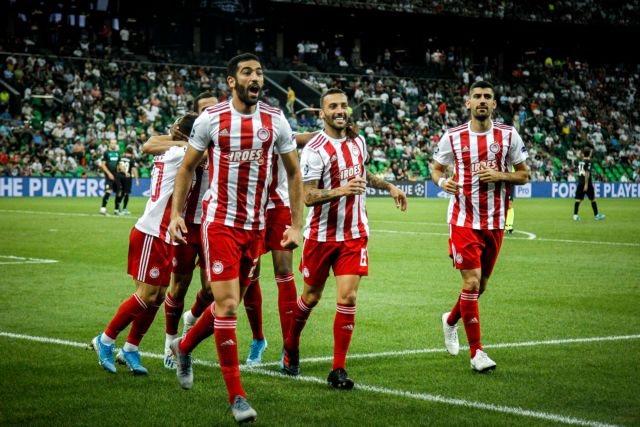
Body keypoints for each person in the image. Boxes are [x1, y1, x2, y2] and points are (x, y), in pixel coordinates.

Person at [168, 53, 303, 424]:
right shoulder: (211, 119)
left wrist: (297, 224)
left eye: (258, 72)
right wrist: (177, 214)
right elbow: (187, 167)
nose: (255, 78)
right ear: (232, 81)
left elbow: (294, 173)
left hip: (255, 227)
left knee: (228, 303)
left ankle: (184, 346)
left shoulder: (275, 120)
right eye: (247, 72)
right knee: (228, 306)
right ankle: (237, 397)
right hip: (220, 224)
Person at [280, 88, 407, 389]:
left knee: (348, 297)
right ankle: (291, 345)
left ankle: (338, 369)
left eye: (343, 105)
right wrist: (341, 190)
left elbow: (363, 173)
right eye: (333, 106)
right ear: (322, 113)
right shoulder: (315, 149)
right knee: (310, 297)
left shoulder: (358, 141)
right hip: (321, 237)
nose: (340, 110)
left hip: (354, 234)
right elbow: (307, 196)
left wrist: (389, 186)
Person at [431, 80, 529, 372]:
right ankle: (477, 353)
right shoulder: (453, 136)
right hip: (463, 219)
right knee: (471, 283)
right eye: (477, 96)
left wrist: (500, 175)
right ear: (468, 103)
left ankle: (450, 320)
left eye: (487, 96)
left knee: (480, 287)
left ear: (494, 104)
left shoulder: (508, 135)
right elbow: (436, 168)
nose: (482, 100)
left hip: (495, 221)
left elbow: (524, 175)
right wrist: (442, 182)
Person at [91, 114, 197, 376]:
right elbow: (206, 153)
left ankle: (130, 348)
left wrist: (181, 139)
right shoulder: (181, 153)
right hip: (152, 231)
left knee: (158, 296)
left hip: (164, 233)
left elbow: (150, 144)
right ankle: (105, 340)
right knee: (147, 295)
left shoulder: (173, 149)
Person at [243, 131, 318, 366]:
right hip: (251, 209)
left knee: (284, 271)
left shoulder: (278, 130)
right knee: (250, 276)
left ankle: (288, 346)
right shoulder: (242, 133)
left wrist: (341, 131)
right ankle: (258, 339)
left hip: (280, 208)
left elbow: (309, 137)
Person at [573, 147, 605, 221]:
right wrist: (586, 184)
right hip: (587, 183)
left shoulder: (580, 162)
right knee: (593, 199)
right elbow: (587, 172)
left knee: (578, 200)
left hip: (580, 182)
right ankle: (596, 215)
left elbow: (577, 166)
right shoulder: (588, 162)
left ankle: (575, 215)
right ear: (589, 153)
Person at [99, 139, 121, 215]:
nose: (113, 145)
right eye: (112, 143)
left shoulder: (118, 153)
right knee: (108, 191)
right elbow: (103, 165)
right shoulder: (106, 153)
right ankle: (103, 208)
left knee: (119, 192)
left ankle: (116, 210)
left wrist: (123, 172)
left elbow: (119, 164)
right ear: (109, 144)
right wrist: (109, 174)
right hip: (109, 175)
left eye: (115, 143)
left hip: (116, 175)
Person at [116, 146, 139, 215]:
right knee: (126, 193)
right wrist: (137, 180)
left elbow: (118, 167)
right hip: (127, 177)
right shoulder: (131, 159)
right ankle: (124, 209)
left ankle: (117, 207)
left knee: (120, 192)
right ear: (132, 153)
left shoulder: (120, 157)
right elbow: (134, 170)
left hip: (119, 176)